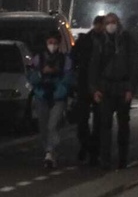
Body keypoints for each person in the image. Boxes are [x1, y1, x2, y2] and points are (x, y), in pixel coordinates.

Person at [89, 13, 138, 169]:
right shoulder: (99, 43)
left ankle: (123, 159)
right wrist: (95, 89)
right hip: (105, 88)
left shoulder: (126, 41)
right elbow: (93, 67)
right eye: (108, 23)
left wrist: (131, 88)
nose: (111, 25)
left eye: (113, 22)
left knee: (123, 124)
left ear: (118, 24)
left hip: (122, 87)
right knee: (105, 125)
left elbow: (134, 65)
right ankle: (105, 158)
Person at [29, 33, 73, 169]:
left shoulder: (65, 60)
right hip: (42, 96)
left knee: (52, 125)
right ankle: (49, 151)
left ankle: (50, 152)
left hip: (58, 97)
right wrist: (42, 73)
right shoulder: (38, 59)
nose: (52, 45)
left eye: (55, 42)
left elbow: (69, 79)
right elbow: (31, 77)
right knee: (43, 127)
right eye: (50, 42)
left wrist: (57, 75)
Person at [72, 16, 104, 165]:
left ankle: (94, 151)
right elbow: (73, 58)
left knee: (99, 121)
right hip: (84, 84)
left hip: (101, 85)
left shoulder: (108, 41)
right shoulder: (84, 40)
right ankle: (86, 145)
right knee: (82, 120)